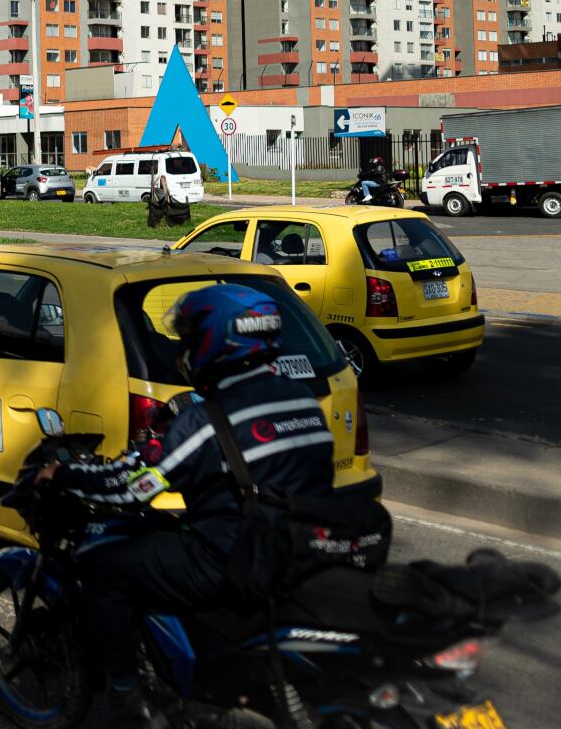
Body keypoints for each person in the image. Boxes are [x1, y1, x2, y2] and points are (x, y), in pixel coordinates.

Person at [36, 284, 336, 727]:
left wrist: (62, 474)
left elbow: (130, 488)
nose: (184, 348)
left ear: (217, 343)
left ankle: (127, 700)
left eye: (190, 337)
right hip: (295, 545)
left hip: (232, 559)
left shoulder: (206, 420)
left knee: (105, 569)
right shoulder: (304, 401)